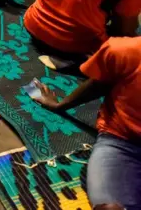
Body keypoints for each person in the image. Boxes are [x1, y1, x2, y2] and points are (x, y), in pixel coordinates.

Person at [32, 36, 141, 209]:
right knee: (110, 208)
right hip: (123, 142)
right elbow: (100, 83)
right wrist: (60, 105)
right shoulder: (127, 52)